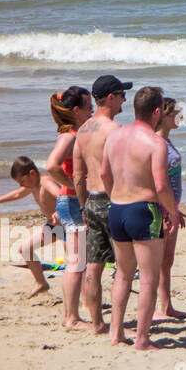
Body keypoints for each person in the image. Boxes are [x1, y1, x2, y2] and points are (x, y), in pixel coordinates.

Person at [102, 87, 180, 350]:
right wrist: (171, 211)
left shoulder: (114, 137)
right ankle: (142, 338)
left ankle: (116, 334)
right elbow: (161, 186)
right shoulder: (155, 143)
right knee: (148, 277)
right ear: (157, 111)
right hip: (144, 210)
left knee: (123, 275)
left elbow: (104, 175)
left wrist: (116, 194)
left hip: (117, 208)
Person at [74, 74, 131, 334]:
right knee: (124, 266)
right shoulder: (115, 131)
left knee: (93, 265)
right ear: (110, 97)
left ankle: (97, 323)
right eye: (121, 95)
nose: (124, 101)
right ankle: (117, 327)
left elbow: (78, 175)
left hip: (92, 201)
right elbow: (124, 171)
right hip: (113, 200)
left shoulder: (83, 130)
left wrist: (84, 206)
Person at [0, 158, 65, 298]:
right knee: (25, 249)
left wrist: (59, 210)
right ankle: (41, 282)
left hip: (66, 226)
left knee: (76, 262)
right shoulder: (33, 185)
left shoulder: (46, 183)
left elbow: (62, 196)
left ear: (32, 173)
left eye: (22, 182)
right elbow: (17, 194)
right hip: (52, 227)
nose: (22, 186)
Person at [47, 86, 93, 327]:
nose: (92, 109)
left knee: (78, 261)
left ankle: (76, 312)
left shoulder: (75, 133)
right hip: (71, 202)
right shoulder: (70, 136)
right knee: (75, 263)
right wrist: (73, 187)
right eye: (88, 106)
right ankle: (71, 317)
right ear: (76, 110)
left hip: (72, 201)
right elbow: (52, 166)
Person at [154, 97, 186, 318]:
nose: (180, 116)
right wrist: (168, 210)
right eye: (176, 113)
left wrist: (176, 209)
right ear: (164, 116)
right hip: (160, 208)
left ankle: (166, 306)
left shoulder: (166, 141)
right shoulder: (156, 143)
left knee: (167, 259)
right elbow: (157, 182)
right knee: (157, 260)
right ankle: (156, 309)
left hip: (171, 206)